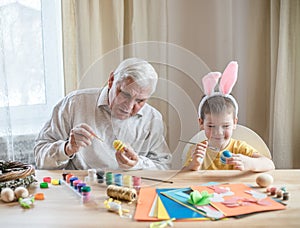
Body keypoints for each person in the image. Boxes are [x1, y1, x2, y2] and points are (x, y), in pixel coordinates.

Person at [34, 57, 172, 170]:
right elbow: (40, 156)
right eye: (124, 94)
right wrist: (67, 148)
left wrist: (138, 164)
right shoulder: (74, 104)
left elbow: (164, 167)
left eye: (140, 101)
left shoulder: (153, 119)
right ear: (111, 80)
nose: (129, 107)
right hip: (79, 191)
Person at [183, 61, 275, 172]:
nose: (218, 132)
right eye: (211, 126)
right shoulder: (197, 150)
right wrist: (194, 165)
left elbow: (269, 164)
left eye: (225, 126)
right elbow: (182, 177)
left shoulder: (239, 148)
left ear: (234, 123)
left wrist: (249, 163)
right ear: (201, 123)